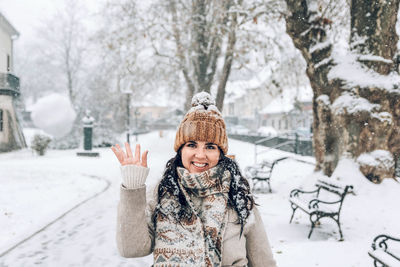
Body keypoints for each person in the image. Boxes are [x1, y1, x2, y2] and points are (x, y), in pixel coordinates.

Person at [111, 92, 277, 267]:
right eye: (192, 145)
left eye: (210, 147)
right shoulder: (161, 192)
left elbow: (264, 262)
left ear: (220, 154)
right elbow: (131, 249)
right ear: (180, 150)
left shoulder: (238, 196)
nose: (200, 155)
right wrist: (132, 187)